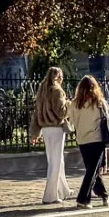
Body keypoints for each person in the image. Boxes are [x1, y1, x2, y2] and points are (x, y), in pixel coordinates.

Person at [69, 74, 109, 207]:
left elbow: (71, 122)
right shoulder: (99, 102)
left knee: (92, 169)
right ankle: (83, 198)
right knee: (92, 170)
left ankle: (104, 194)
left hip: (82, 140)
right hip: (96, 139)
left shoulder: (74, 103)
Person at [33, 67, 71, 204]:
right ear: (59, 77)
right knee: (56, 162)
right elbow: (61, 112)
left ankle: (63, 189)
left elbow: (36, 112)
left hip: (45, 128)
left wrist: (35, 132)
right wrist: (69, 104)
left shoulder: (42, 90)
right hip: (56, 128)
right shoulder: (57, 91)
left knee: (55, 160)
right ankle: (50, 195)